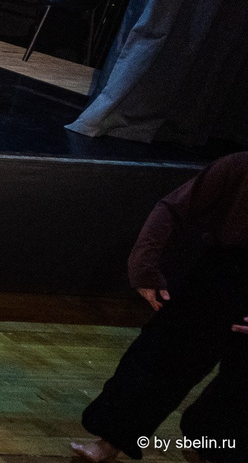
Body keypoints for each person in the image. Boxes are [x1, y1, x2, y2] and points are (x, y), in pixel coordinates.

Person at [72, 152, 248, 463]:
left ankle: (211, 448)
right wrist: (143, 267)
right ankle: (111, 440)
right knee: (160, 358)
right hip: (225, 274)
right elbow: (172, 209)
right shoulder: (239, 166)